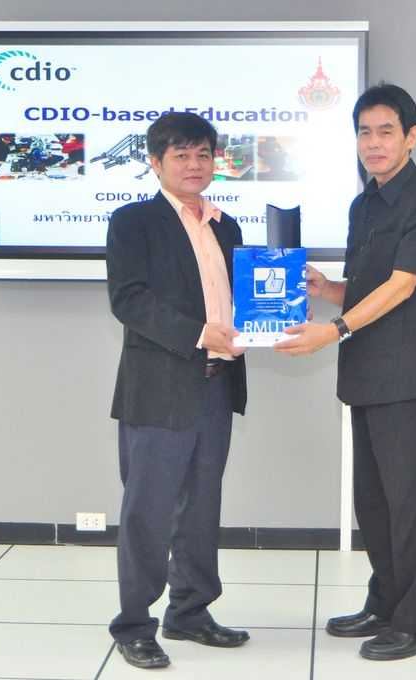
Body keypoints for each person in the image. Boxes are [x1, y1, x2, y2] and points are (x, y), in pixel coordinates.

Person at [274, 83, 416, 661]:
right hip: (368, 371)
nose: (373, 143)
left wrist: (333, 330)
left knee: (413, 503)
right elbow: (367, 287)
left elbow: (404, 285)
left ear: (412, 136)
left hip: (412, 374)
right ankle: (386, 603)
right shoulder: (364, 205)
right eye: (364, 132)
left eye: (386, 131)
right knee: (375, 502)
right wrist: (326, 289)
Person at [106, 112, 249, 670]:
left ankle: (190, 611)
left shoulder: (226, 227)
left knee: (201, 506)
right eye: (181, 155)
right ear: (155, 162)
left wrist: (271, 318)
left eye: (203, 155)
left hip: (217, 384)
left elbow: (241, 301)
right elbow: (129, 300)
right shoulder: (133, 222)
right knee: (148, 509)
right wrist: (198, 333)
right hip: (159, 386)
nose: (194, 164)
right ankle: (134, 624)